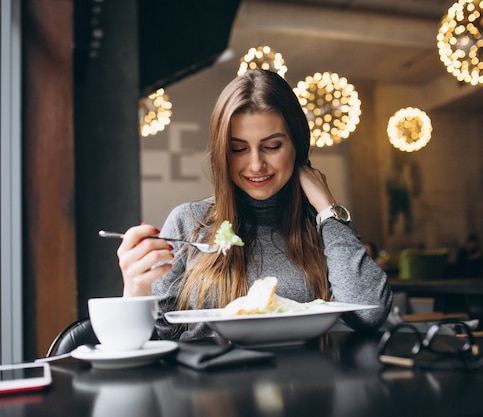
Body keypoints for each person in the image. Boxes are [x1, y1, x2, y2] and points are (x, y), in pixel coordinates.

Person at [116, 70, 392, 341]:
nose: (256, 165)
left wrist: (328, 209)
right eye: (238, 149)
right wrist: (135, 293)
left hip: (303, 379)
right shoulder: (189, 221)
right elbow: (157, 336)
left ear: (297, 146)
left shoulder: (320, 226)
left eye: (272, 146)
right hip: (206, 382)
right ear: (222, 152)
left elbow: (370, 314)